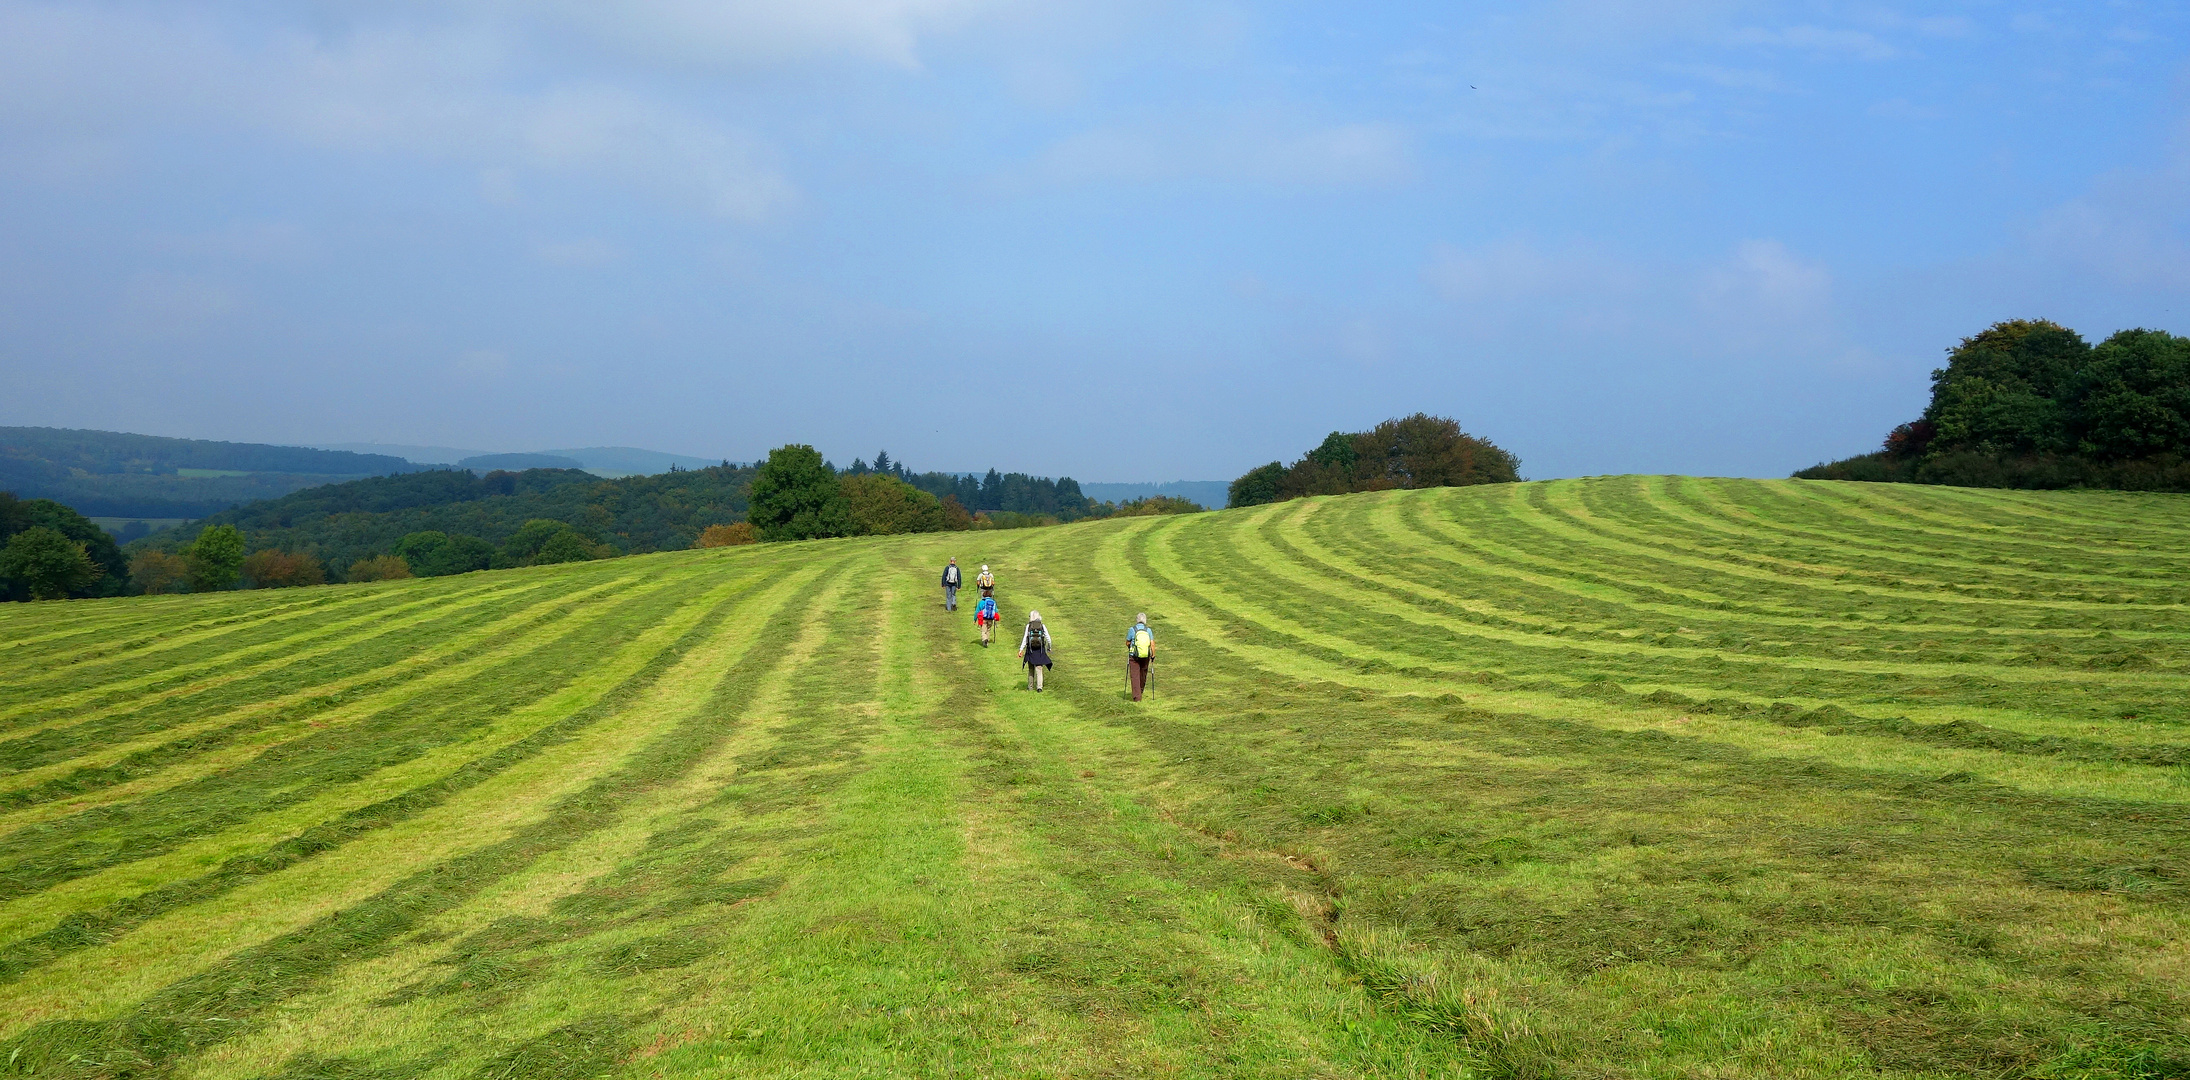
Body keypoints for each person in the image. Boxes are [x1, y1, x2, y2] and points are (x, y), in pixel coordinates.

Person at [1018, 610, 1054, 692]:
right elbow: (1048, 638)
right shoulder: (1042, 626)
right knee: (1039, 669)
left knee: (1031, 669)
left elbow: (1025, 639)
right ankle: (1039, 687)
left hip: (1030, 650)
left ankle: (1030, 687)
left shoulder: (1028, 626)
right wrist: (1049, 647)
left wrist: (1021, 649)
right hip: (1040, 650)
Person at [1125, 612, 1155, 701]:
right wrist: (1153, 654)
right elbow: (1152, 643)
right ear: (1145, 620)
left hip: (1134, 656)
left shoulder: (1132, 629)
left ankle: (1137, 697)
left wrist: (1130, 646)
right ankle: (1140, 691)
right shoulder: (1148, 630)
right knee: (1143, 674)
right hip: (1146, 655)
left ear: (1137, 620)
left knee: (1135, 675)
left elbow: (1127, 642)